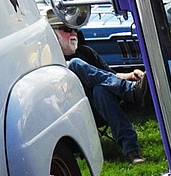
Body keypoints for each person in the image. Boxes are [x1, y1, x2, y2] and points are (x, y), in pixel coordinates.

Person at [47, 10, 148, 164]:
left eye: (75, 29)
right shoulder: (48, 59)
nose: (73, 33)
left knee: (101, 91)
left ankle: (132, 150)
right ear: (53, 33)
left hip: (100, 108)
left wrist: (131, 75)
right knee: (74, 64)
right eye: (67, 30)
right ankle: (131, 91)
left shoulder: (85, 52)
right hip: (71, 113)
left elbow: (109, 76)